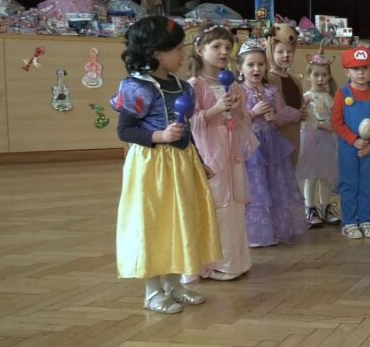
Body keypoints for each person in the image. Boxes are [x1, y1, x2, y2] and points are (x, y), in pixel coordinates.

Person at [110, 16, 220, 313]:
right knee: (153, 223)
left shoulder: (183, 87)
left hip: (181, 163)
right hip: (152, 167)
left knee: (178, 220)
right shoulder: (136, 87)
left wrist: (200, 161)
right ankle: (152, 292)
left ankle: (173, 284)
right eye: (178, 49)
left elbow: (187, 130)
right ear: (157, 52)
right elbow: (125, 131)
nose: (184, 54)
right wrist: (159, 136)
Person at [187, 25, 256, 281]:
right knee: (213, 203)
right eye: (216, 46)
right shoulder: (194, 85)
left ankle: (232, 261)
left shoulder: (234, 85)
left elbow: (244, 119)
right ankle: (209, 263)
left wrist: (237, 111)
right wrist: (215, 109)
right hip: (209, 152)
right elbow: (189, 122)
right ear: (200, 50)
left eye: (228, 47)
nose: (223, 52)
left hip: (230, 151)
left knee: (232, 205)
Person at [239, 40, 308, 247]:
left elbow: (281, 116)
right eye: (250, 65)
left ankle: (276, 229)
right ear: (240, 68)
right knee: (256, 186)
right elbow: (235, 120)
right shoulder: (238, 91)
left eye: (260, 64)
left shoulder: (271, 91)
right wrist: (253, 113)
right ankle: (255, 234)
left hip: (271, 144)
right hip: (252, 146)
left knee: (275, 185)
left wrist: (275, 117)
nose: (256, 69)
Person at [332, 46, 370, 239]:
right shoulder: (342, 94)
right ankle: (349, 222)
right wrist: (353, 140)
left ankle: (364, 218)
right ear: (347, 71)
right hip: (349, 149)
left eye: (365, 68)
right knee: (349, 183)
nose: (361, 73)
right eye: (355, 68)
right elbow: (336, 122)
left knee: (367, 184)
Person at [297, 53, 341, 228]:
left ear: (329, 76)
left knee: (326, 177)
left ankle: (326, 207)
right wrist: (322, 126)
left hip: (328, 142)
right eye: (316, 75)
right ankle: (310, 208)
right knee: (311, 176)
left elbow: (336, 118)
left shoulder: (331, 98)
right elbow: (303, 121)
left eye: (324, 75)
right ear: (309, 76)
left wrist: (334, 126)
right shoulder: (306, 97)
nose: (320, 79)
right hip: (311, 140)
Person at [267, 24, 307, 163]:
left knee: (292, 167)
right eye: (280, 52)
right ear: (270, 52)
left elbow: (300, 104)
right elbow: (277, 110)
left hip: (294, 134)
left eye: (289, 51)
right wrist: (295, 114)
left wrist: (303, 113)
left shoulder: (295, 80)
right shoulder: (269, 78)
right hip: (278, 135)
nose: (286, 55)